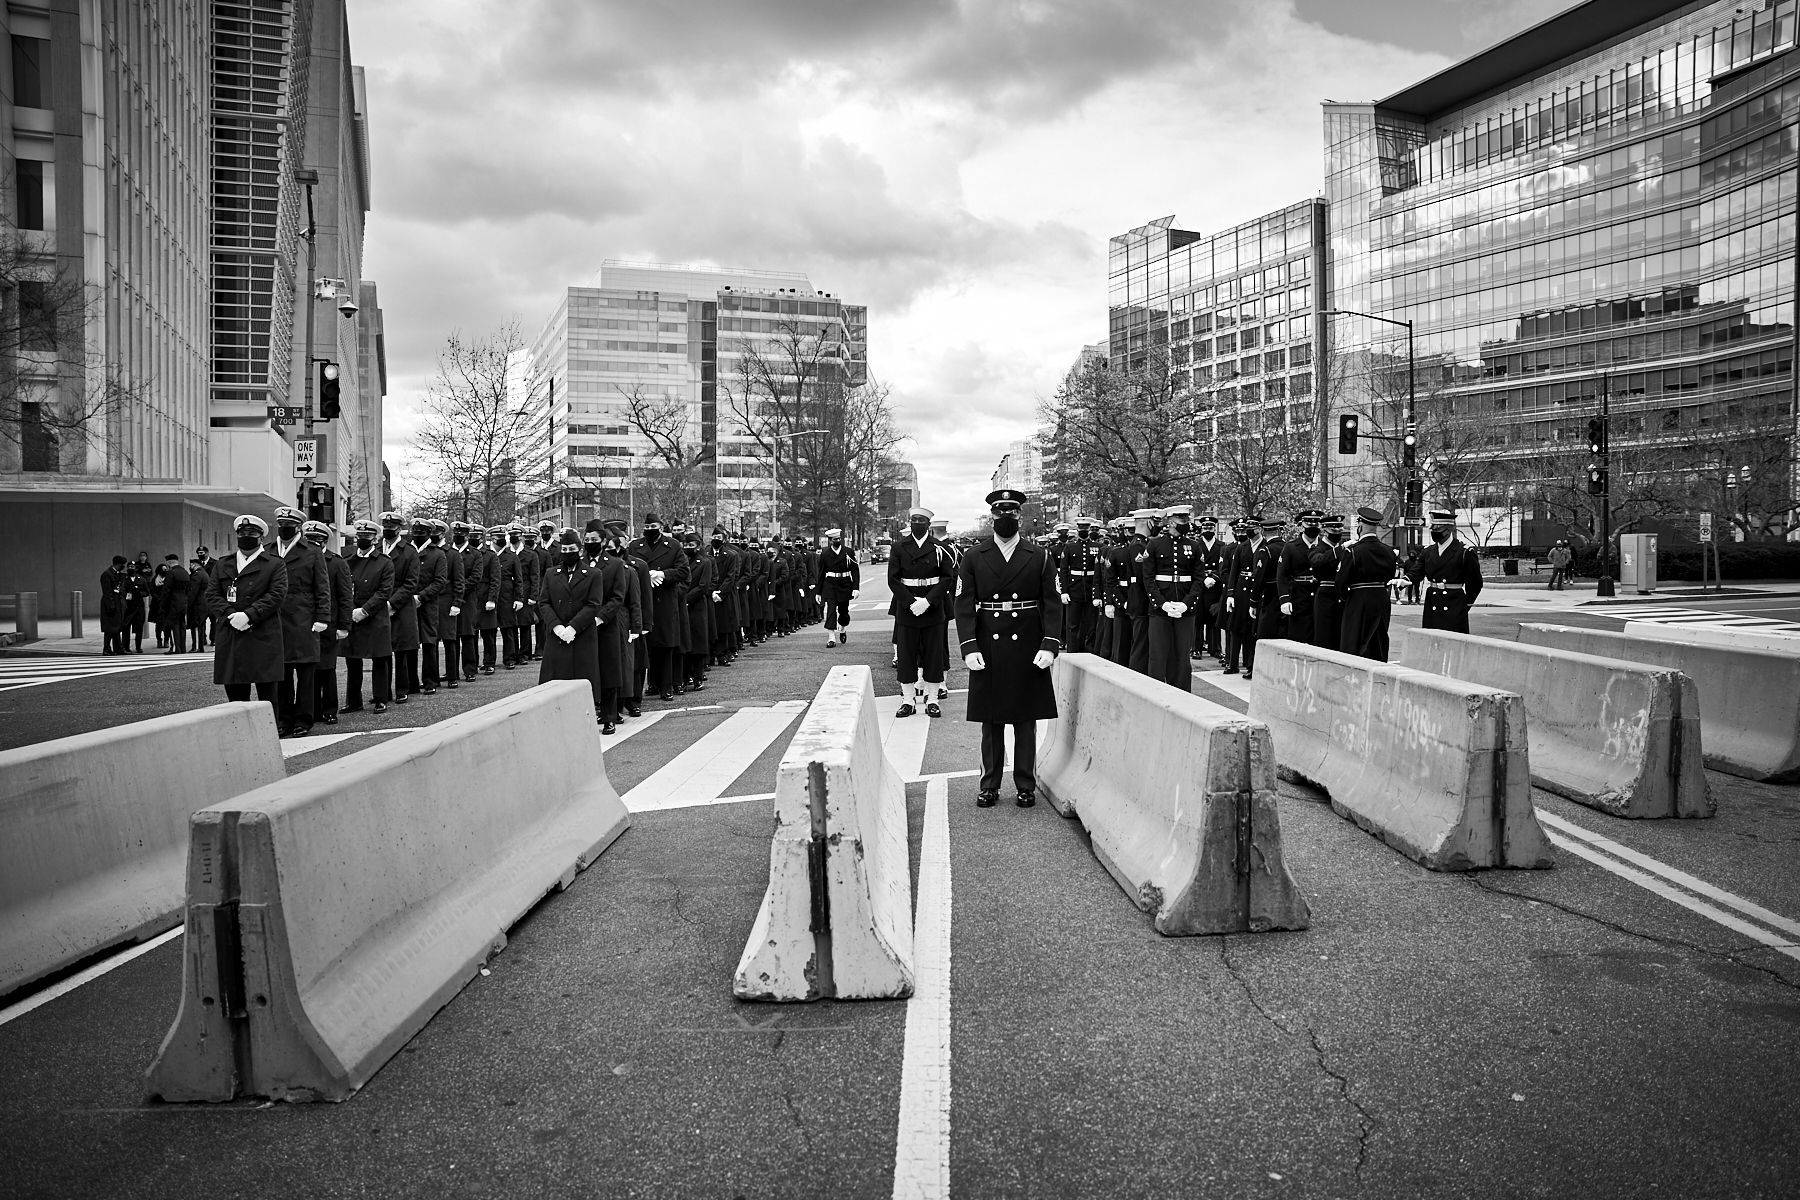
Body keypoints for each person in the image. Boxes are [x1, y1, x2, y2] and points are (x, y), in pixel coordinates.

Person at [955, 488, 1062, 808]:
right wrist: (969, 645)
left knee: (1025, 721)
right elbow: (963, 604)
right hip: (988, 644)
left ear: (1020, 517)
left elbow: (1053, 603)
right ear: (992, 518)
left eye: (1011, 513)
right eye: (999, 514)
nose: (1005, 519)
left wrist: (1050, 644)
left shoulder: (1039, 556)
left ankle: (1025, 784)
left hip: (1028, 644)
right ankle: (989, 784)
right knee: (991, 722)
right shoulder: (974, 556)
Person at [206, 515, 288, 715]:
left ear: (261, 537)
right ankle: (240, 735)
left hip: (262, 631)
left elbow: (276, 594)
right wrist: (230, 615)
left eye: (251, 533)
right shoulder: (223, 564)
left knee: (267, 693)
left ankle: (269, 732)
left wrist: (249, 615)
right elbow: (212, 594)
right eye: (242, 533)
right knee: (235, 696)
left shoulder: (275, 564)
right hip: (232, 632)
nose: (246, 537)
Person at [272, 505, 332, 737]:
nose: (284, 530)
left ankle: (303, 720)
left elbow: (322, 588)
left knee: (306, 674)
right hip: (277, 620)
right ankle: (284, 719)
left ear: (298, 527)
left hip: (304, 619)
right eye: (281, 526)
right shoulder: (269, 550)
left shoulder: (312, 551)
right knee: (282, 674)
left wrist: (322, 617)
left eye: (289, 526)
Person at [890, 507, 952, 717]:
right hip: (908, 608)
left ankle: (932, 699)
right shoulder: (899, 547)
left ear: (928, 524)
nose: (917, 524)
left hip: (931, 607)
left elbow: (947, 578)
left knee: (933, 655)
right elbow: (893, 579)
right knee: (907, 655)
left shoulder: (939, 548)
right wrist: (909, 602)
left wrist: (928, 601)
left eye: (921, 521)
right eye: (913, 520)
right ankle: (908, 700)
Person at [627, 512, 689, 701]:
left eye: (653, 527)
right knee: (647, 645)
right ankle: (652, 683)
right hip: (644, 600)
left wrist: (662, 575)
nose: (650, 531)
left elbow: (683, 572)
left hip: (665, 600)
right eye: (646, 528)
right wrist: (643, 576)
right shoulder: (635, 546)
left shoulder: (674, 546)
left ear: (661, 528)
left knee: (665, 646)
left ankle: (666, 686)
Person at [1143, 503, 1202, 689]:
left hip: (1185, 608)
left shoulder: (1193, 546)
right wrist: (1162, 604)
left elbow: (1198, 578)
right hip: (1160, 608)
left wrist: (1187, 603)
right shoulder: (1154, 544)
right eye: (1180, 519)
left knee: (1182, 657)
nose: (1185, 522)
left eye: (1186, 519)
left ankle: (1182, 694)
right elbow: (1148, 578)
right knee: (1158, 656)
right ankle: (1157, 695)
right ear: (1170, 521)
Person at [342, 518, 397, 713]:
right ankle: (354, 701)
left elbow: (384, 592)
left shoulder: (384, 562)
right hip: (352, 614)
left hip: (374, 616)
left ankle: (381, 698)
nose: (362, 540)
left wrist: (364, 610)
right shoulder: (348, 561)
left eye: (367, 537)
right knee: (352, 658)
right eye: (359, 537)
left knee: (379, 658)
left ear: (375, 539)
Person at [304, 520, 352, 724]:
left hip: (330, 622)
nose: (313, 544)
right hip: (305, 623)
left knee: (327, 668)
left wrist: (344, 625)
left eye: (317, 540)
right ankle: (311, 709)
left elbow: (344, 597)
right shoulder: (300, 559)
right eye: (310, 540)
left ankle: (329, 709)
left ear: (324, 542)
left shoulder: (337, 563)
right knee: (309, 669)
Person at [1339, 506, 1399, 661]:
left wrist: (1348, 599)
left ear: (1361, 525)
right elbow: (1390, 576)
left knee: (1354, 643)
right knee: (1378, 640)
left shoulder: (1352, 551)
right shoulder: (1388, 551)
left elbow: (1341, 584)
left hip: (1358, 599)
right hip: (1381, 599)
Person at [1410, 509, 1483, 633]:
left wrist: (1467, 604)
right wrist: (1405, 579)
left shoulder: (1464, 552)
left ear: (1448, 530)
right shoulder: (1428, 551)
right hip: (1432, 603)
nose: (1433, 533)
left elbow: (1475, 582)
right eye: (1432, 529)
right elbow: (1418, 570)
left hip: (1454, 605)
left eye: (1437, 530)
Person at [379, 511, 421, 703]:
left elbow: (411, 583)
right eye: (385, 528)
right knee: (381, 649)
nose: (388, 531)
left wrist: (392, 603)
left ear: (399, 530)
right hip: (378, 603)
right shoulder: (376, 548)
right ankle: (382, 691)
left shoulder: (409, 551)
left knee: (402, 650)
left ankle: (402, 689)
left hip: (401, 604)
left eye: (392, 528)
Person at [1276, 509, 1325, 646]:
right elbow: (1282, 575)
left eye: (1315, 524)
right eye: (1309, 524)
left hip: (1320, 596)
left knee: (1319, 638)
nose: (1312, 527)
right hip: (1298, 598)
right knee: (1298, 637)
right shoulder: (1291, 547)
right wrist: (1284, 599)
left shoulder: (1324, 547)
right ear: (1302, 525)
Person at [414, 518, 451, 694]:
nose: (417, 536)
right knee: (408, 643)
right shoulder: (408, 551)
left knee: (429, 643)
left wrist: (421, 597)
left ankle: (430, 681)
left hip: (427, 602)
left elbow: (440, 581)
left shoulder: (437, 554)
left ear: (429, 534)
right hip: (407, 602)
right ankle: (410, 682)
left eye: (421, 533)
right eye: (415, 533)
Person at [1311, 514, 1349, 652]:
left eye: (1340, 531)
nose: (1337, 534)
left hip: (1343, 596)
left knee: (1341, 637)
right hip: (1326, 597)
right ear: (1324, 531)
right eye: (1334, 532)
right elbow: (1318, 561)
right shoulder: (1317, 548)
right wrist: (1340, 549)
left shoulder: (1346, 550)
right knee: (1325, 637)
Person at [818, 527, 860, 647]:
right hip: (830, 584)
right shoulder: (825, 554)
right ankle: (831, 638)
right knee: (831, 611)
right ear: (830, 541)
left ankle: (842, 628)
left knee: (843, 612)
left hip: (845, 584)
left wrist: (855, 588)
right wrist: (818, 592)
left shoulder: (849, 552)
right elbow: (820, 574)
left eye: (839, 538)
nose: (837, 541)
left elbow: (855, 571)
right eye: (835, 539)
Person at [476, 525, 505, 675]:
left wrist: (492, 599)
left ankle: (489, 662)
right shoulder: (466, 553)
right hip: (471, 598)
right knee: (470, 634)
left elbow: (495, 579)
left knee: (488, 633)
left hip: (486, 596)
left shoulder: (490, 555)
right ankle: (472, 663)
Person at [157, 555, 191, 653]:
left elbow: (166, 590)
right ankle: (182, 647)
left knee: (173, 625)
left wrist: (162, 604)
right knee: (181, 625)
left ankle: (176, 648)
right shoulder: (184, 572)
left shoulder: (171, 573)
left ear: (169, 562)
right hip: (183, 600)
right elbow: (189, 588)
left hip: (173, 601)